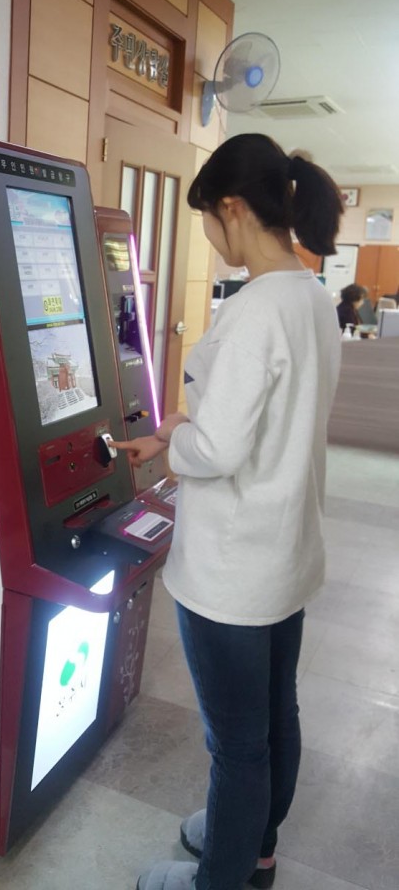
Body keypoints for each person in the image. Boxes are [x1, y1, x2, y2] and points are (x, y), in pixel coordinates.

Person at [111, 133, 343, 890]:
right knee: (277, 717)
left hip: (232, 569)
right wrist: (184, 425)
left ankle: (222, 877)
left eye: (209, 219)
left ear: (234, 208)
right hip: (285, 552)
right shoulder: (312, 297)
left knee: (237, 746)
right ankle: (255, 848)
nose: (211, 236)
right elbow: (270, 419)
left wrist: (178, 442)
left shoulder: (253, 313)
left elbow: (218, 450)